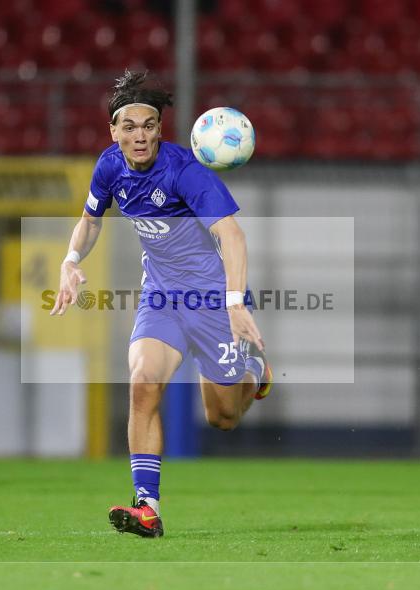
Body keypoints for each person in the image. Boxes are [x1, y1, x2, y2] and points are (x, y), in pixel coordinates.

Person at [50, 70, 273, 537]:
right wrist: (71, 259)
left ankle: (253, 375)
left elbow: (231, 234)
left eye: (148, 125)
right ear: (114, 132)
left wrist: (234, 302)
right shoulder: (109, 166)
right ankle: (147, 506)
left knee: (223, 417)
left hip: (213, 298)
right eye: (128, 127)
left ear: (160, 129)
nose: (139, 135)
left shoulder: (186, 172)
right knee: (142, 382)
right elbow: (90, 221)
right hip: (162, 297)